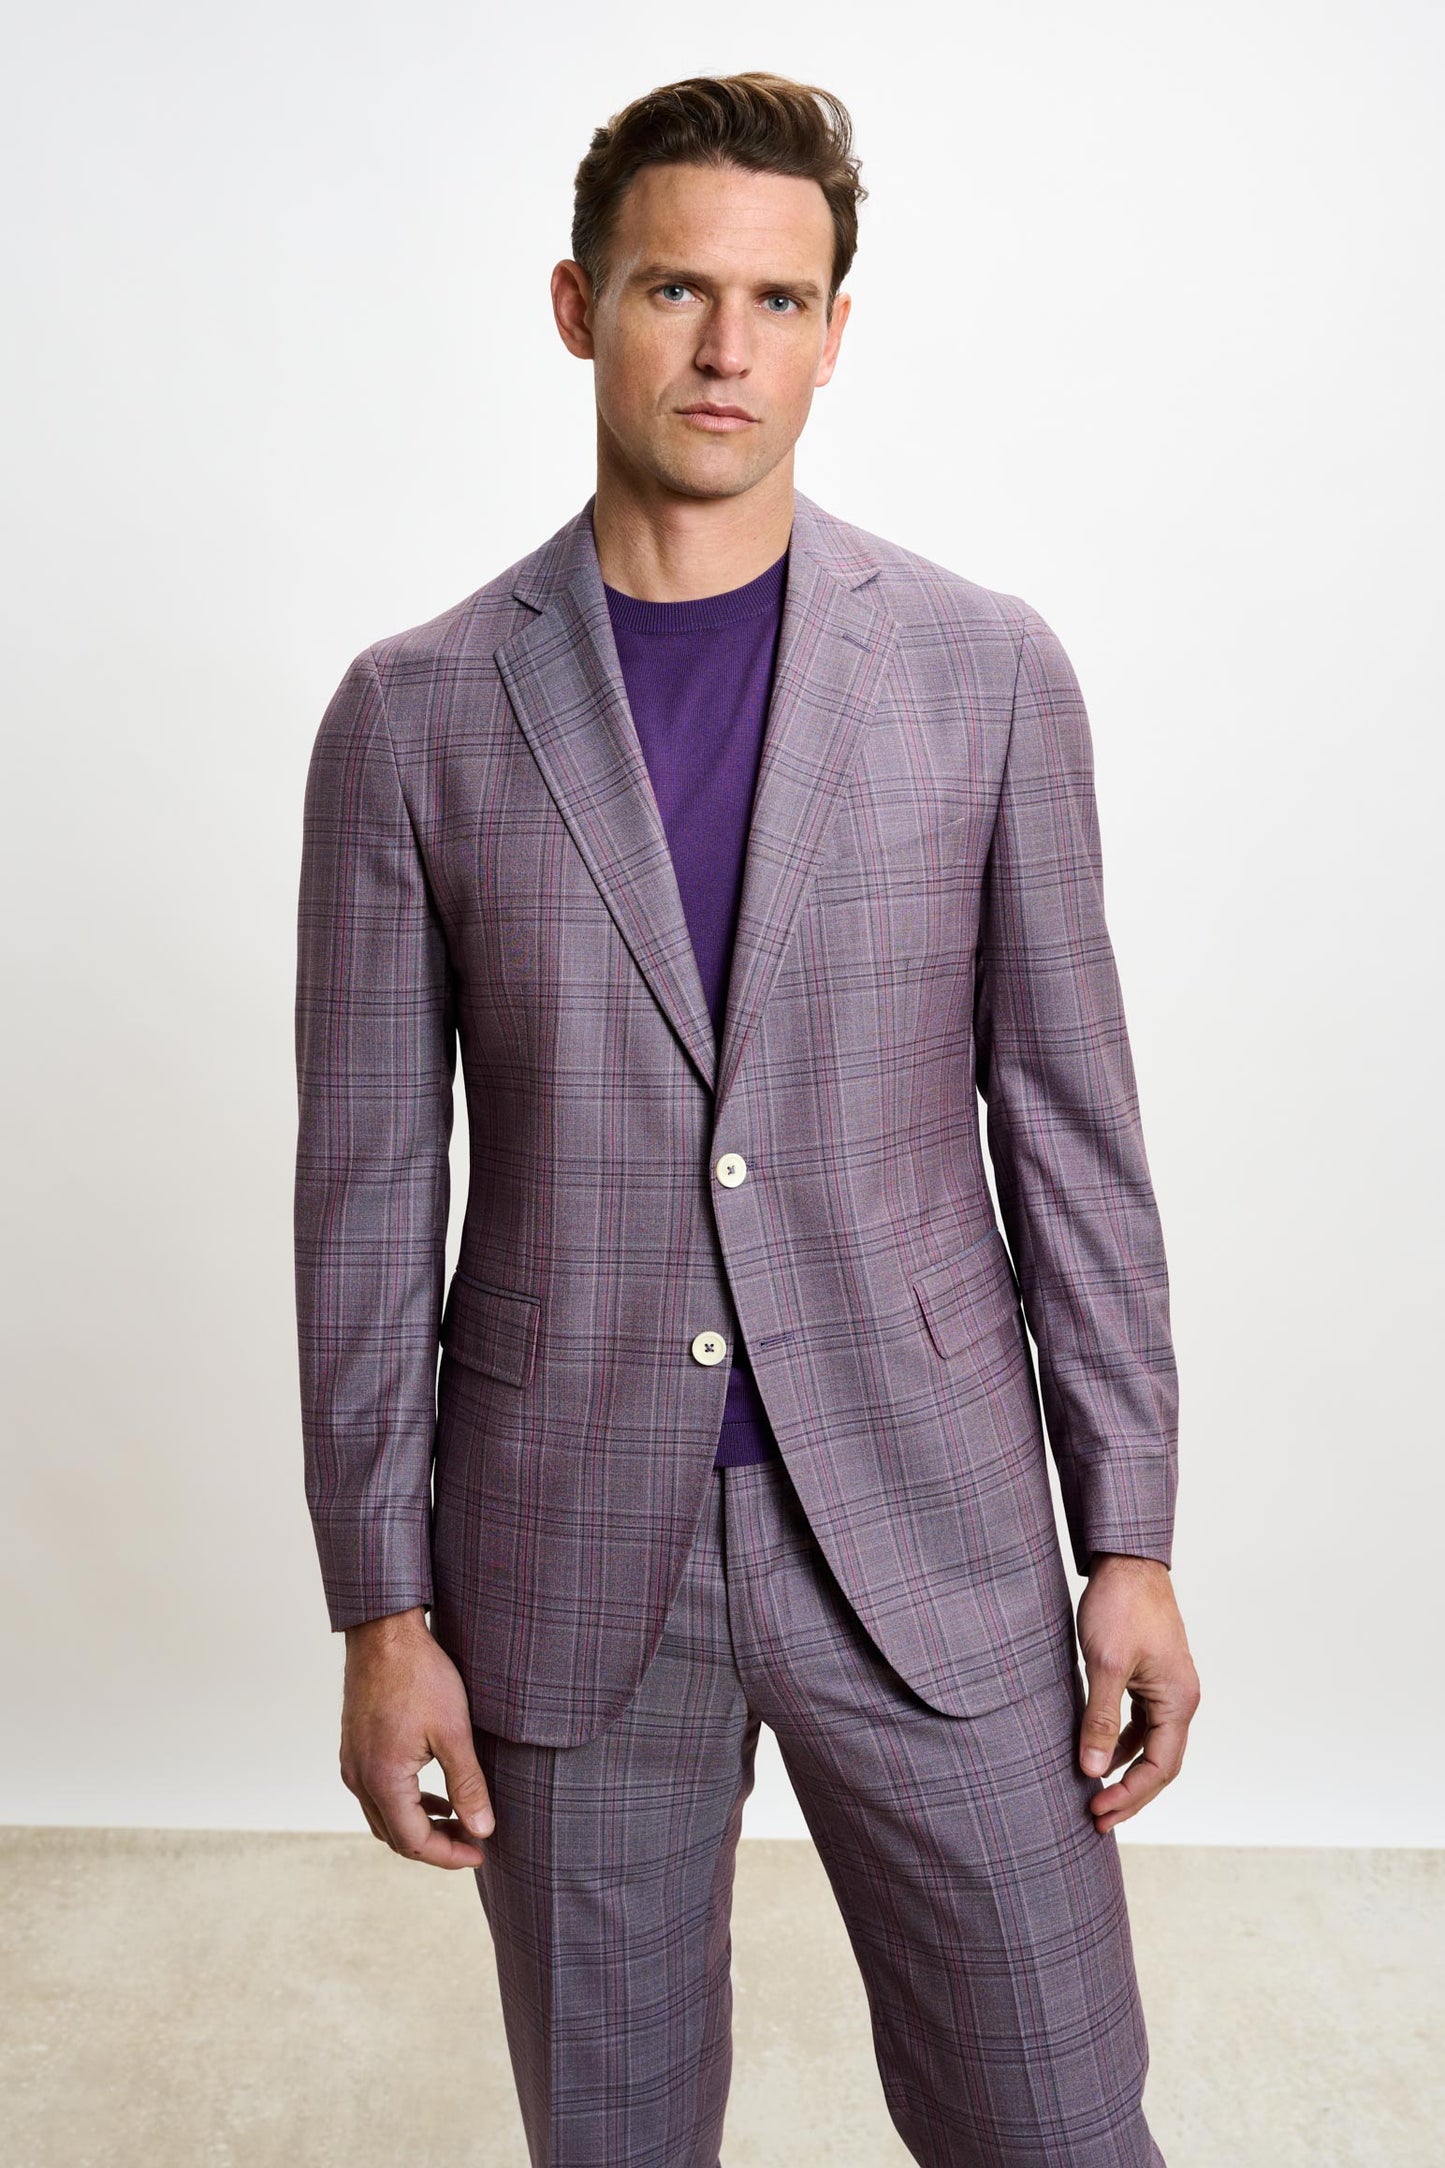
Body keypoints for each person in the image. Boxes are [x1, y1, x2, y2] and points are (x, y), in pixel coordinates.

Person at [293, 69, 1200, 2168]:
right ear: (576, 306)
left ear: (834, 331)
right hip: (560, 1552)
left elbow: (1072, 1136)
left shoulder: (985, 672)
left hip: (931, 1524)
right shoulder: (413, 713)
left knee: (1058, 2124)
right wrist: (381, 1612)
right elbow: (365, 1202)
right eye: (674, 290)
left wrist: (1132, 1533)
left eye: (778, 300)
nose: (727, 347)